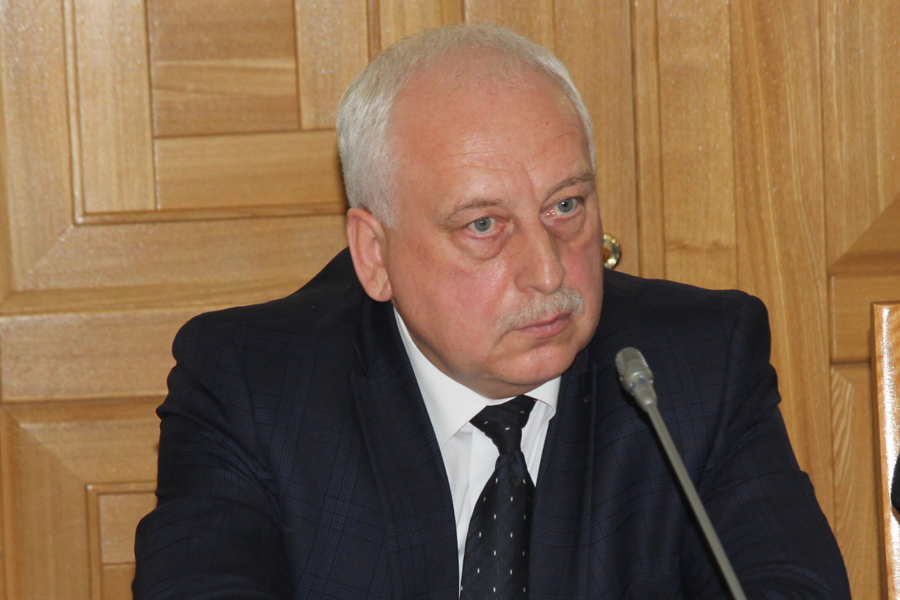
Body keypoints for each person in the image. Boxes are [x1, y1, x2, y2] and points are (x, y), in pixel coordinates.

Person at [133, 24, 850, 599]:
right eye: (484, 225)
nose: (549, 272)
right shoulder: (253, 389)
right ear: (375, 255)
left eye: (565, 207)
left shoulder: (695, 367)